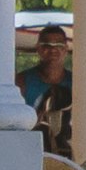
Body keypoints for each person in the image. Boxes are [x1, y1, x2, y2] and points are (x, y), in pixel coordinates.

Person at [14, 25, 74, 155]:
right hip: (31, 153)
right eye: (46, 45)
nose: (52, 50)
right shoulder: (21, 82)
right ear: (38, 49)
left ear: (66, 49)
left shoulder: (76, 83)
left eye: (58, 45)